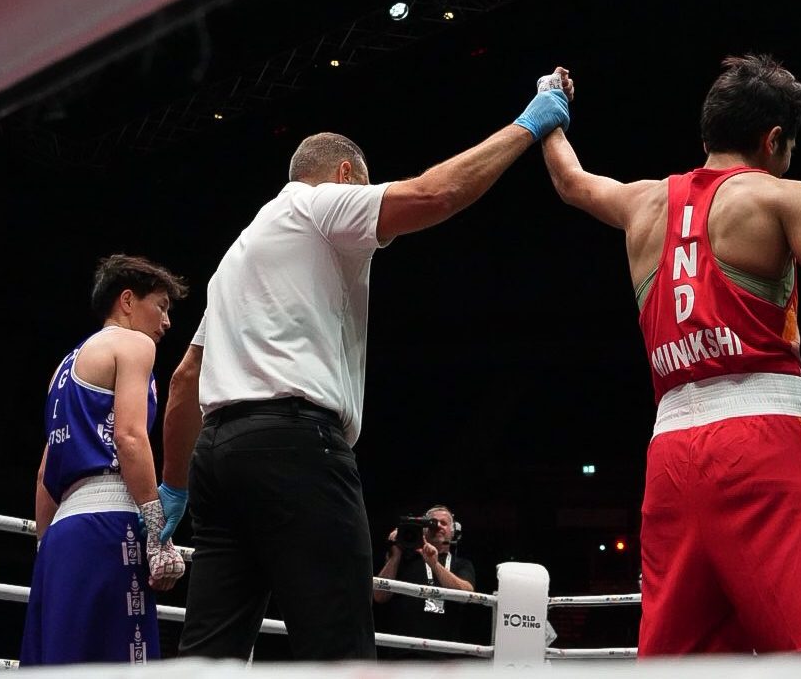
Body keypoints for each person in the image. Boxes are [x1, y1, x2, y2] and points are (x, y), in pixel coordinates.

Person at [541, 54, 801, 655]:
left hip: (670, 460)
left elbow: (570, 181)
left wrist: (550, 112)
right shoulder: (778, 198)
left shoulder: (642, 203)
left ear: (708, 132)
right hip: (768, 444)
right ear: (773, 140)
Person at [163, 69, 574, 661]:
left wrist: (174, 489)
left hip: (219, 460)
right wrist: (530, 124)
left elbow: (182, 383)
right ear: (346, 176)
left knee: (210, 651)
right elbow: (436, 194)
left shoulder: (237, 257)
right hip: (294, 447)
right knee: (338, 642)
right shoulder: (318, 205)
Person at [20, 254, 190, 665]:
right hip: (110, 526)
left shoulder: (65, 367)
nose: (166, 322)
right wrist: (157, 535)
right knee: (119, 668)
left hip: (62, 537)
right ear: (128, 300)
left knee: (58, 667)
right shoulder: (133, 344)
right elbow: (130, 436)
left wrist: (48, 553)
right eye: (161, 306)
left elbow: (46, 472)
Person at [374, 505, 477, 657]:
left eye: (444, 523)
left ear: (453, 531)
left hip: (445, 657)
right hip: (402, 655)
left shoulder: (461, 564)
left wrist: (434, 564)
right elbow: (379, 596)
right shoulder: (403, 560)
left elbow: (467, 595)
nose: (438, 526)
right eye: (433, 522)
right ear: (423, 529)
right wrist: (395, 555)